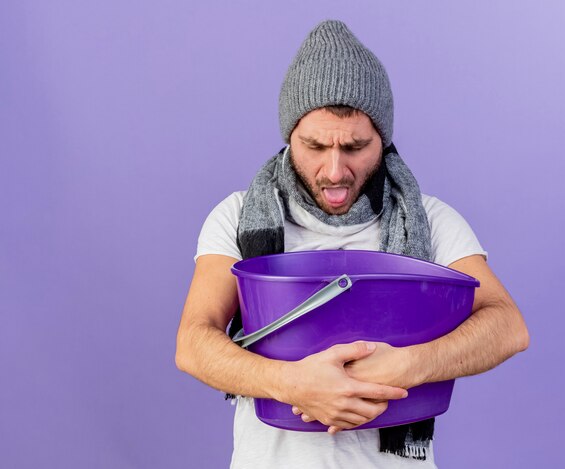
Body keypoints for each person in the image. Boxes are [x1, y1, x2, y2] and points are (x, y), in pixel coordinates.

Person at [175, 19, 529, 468]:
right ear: (289, 137)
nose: (335, 171)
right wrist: (291, 384)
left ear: (383, 139)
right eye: (315, 146)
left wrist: (409, 366)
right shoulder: (237, 216)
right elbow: (193, 341)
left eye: (356, 146)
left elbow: (507, 327)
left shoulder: (433, 221)